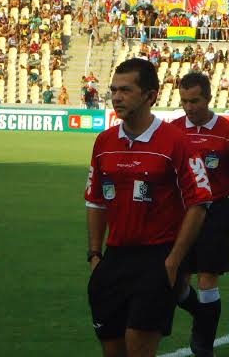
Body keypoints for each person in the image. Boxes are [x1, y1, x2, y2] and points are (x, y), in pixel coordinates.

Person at [85, 58, 212, 357]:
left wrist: (172, 262)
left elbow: (200, 202)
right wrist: (94, 255)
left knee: (139, 347)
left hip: (156, 258)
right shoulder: (103, 142)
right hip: (113, 260)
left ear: (150, 95)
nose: (117, 97)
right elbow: (95, 200)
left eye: (126, 90)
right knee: (113, 350)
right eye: (114, 89)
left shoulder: (176, 142)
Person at [171, 72, 229, 356]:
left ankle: (203, 345)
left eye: (194, 101)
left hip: (215, 211)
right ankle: (203, 318)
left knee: (207, 278)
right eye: (184, 101)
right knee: (175, 283)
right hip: (179, 213)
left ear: (208, 98)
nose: (189, 107)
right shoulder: (171, 131)